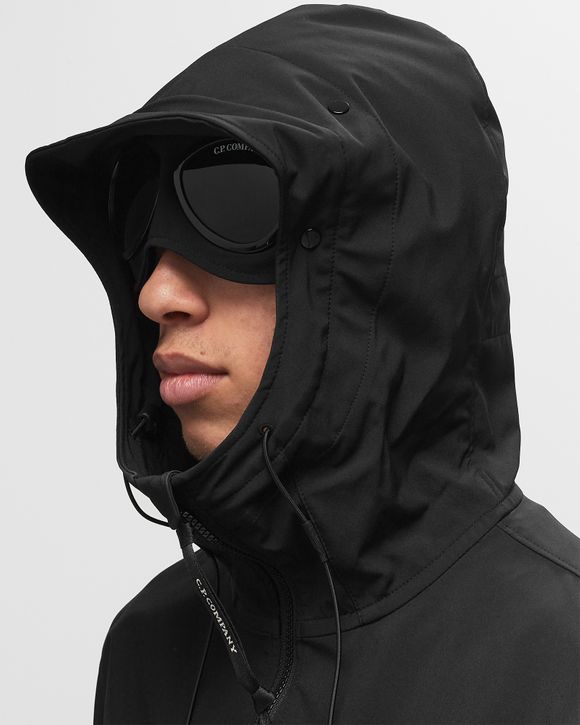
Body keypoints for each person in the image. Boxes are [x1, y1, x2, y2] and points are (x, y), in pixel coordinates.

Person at [25, 4, 579, 724]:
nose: (156, 295)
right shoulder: (148, 647)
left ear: (386, 265)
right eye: (142, 229)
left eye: (232, 205)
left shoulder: (562, 656)